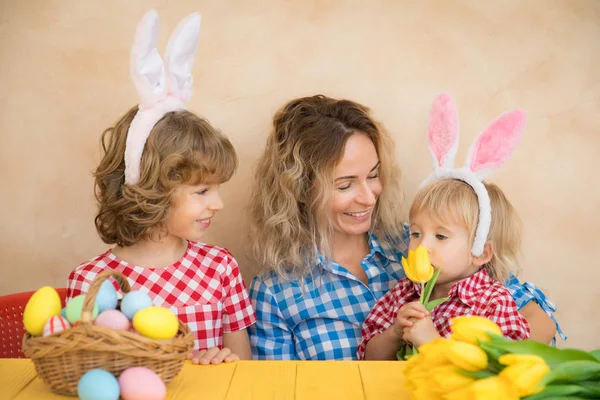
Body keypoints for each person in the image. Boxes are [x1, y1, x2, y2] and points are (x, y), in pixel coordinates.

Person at [247, 94, 563, 361]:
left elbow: (536, 312)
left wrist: (483, 368)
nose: (369, 196)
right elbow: (277, 388)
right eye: (345, 185)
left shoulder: (422, 244)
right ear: (301, 190)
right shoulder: (276, 291)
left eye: (373, 175)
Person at [66, 10, 256, 365]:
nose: (218, 204)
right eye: (201, 192)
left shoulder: (220, 268)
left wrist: (223, 364)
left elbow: (243, 371)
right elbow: (93, 380)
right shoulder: (94, 283)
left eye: (216, 189)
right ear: (148, 191)